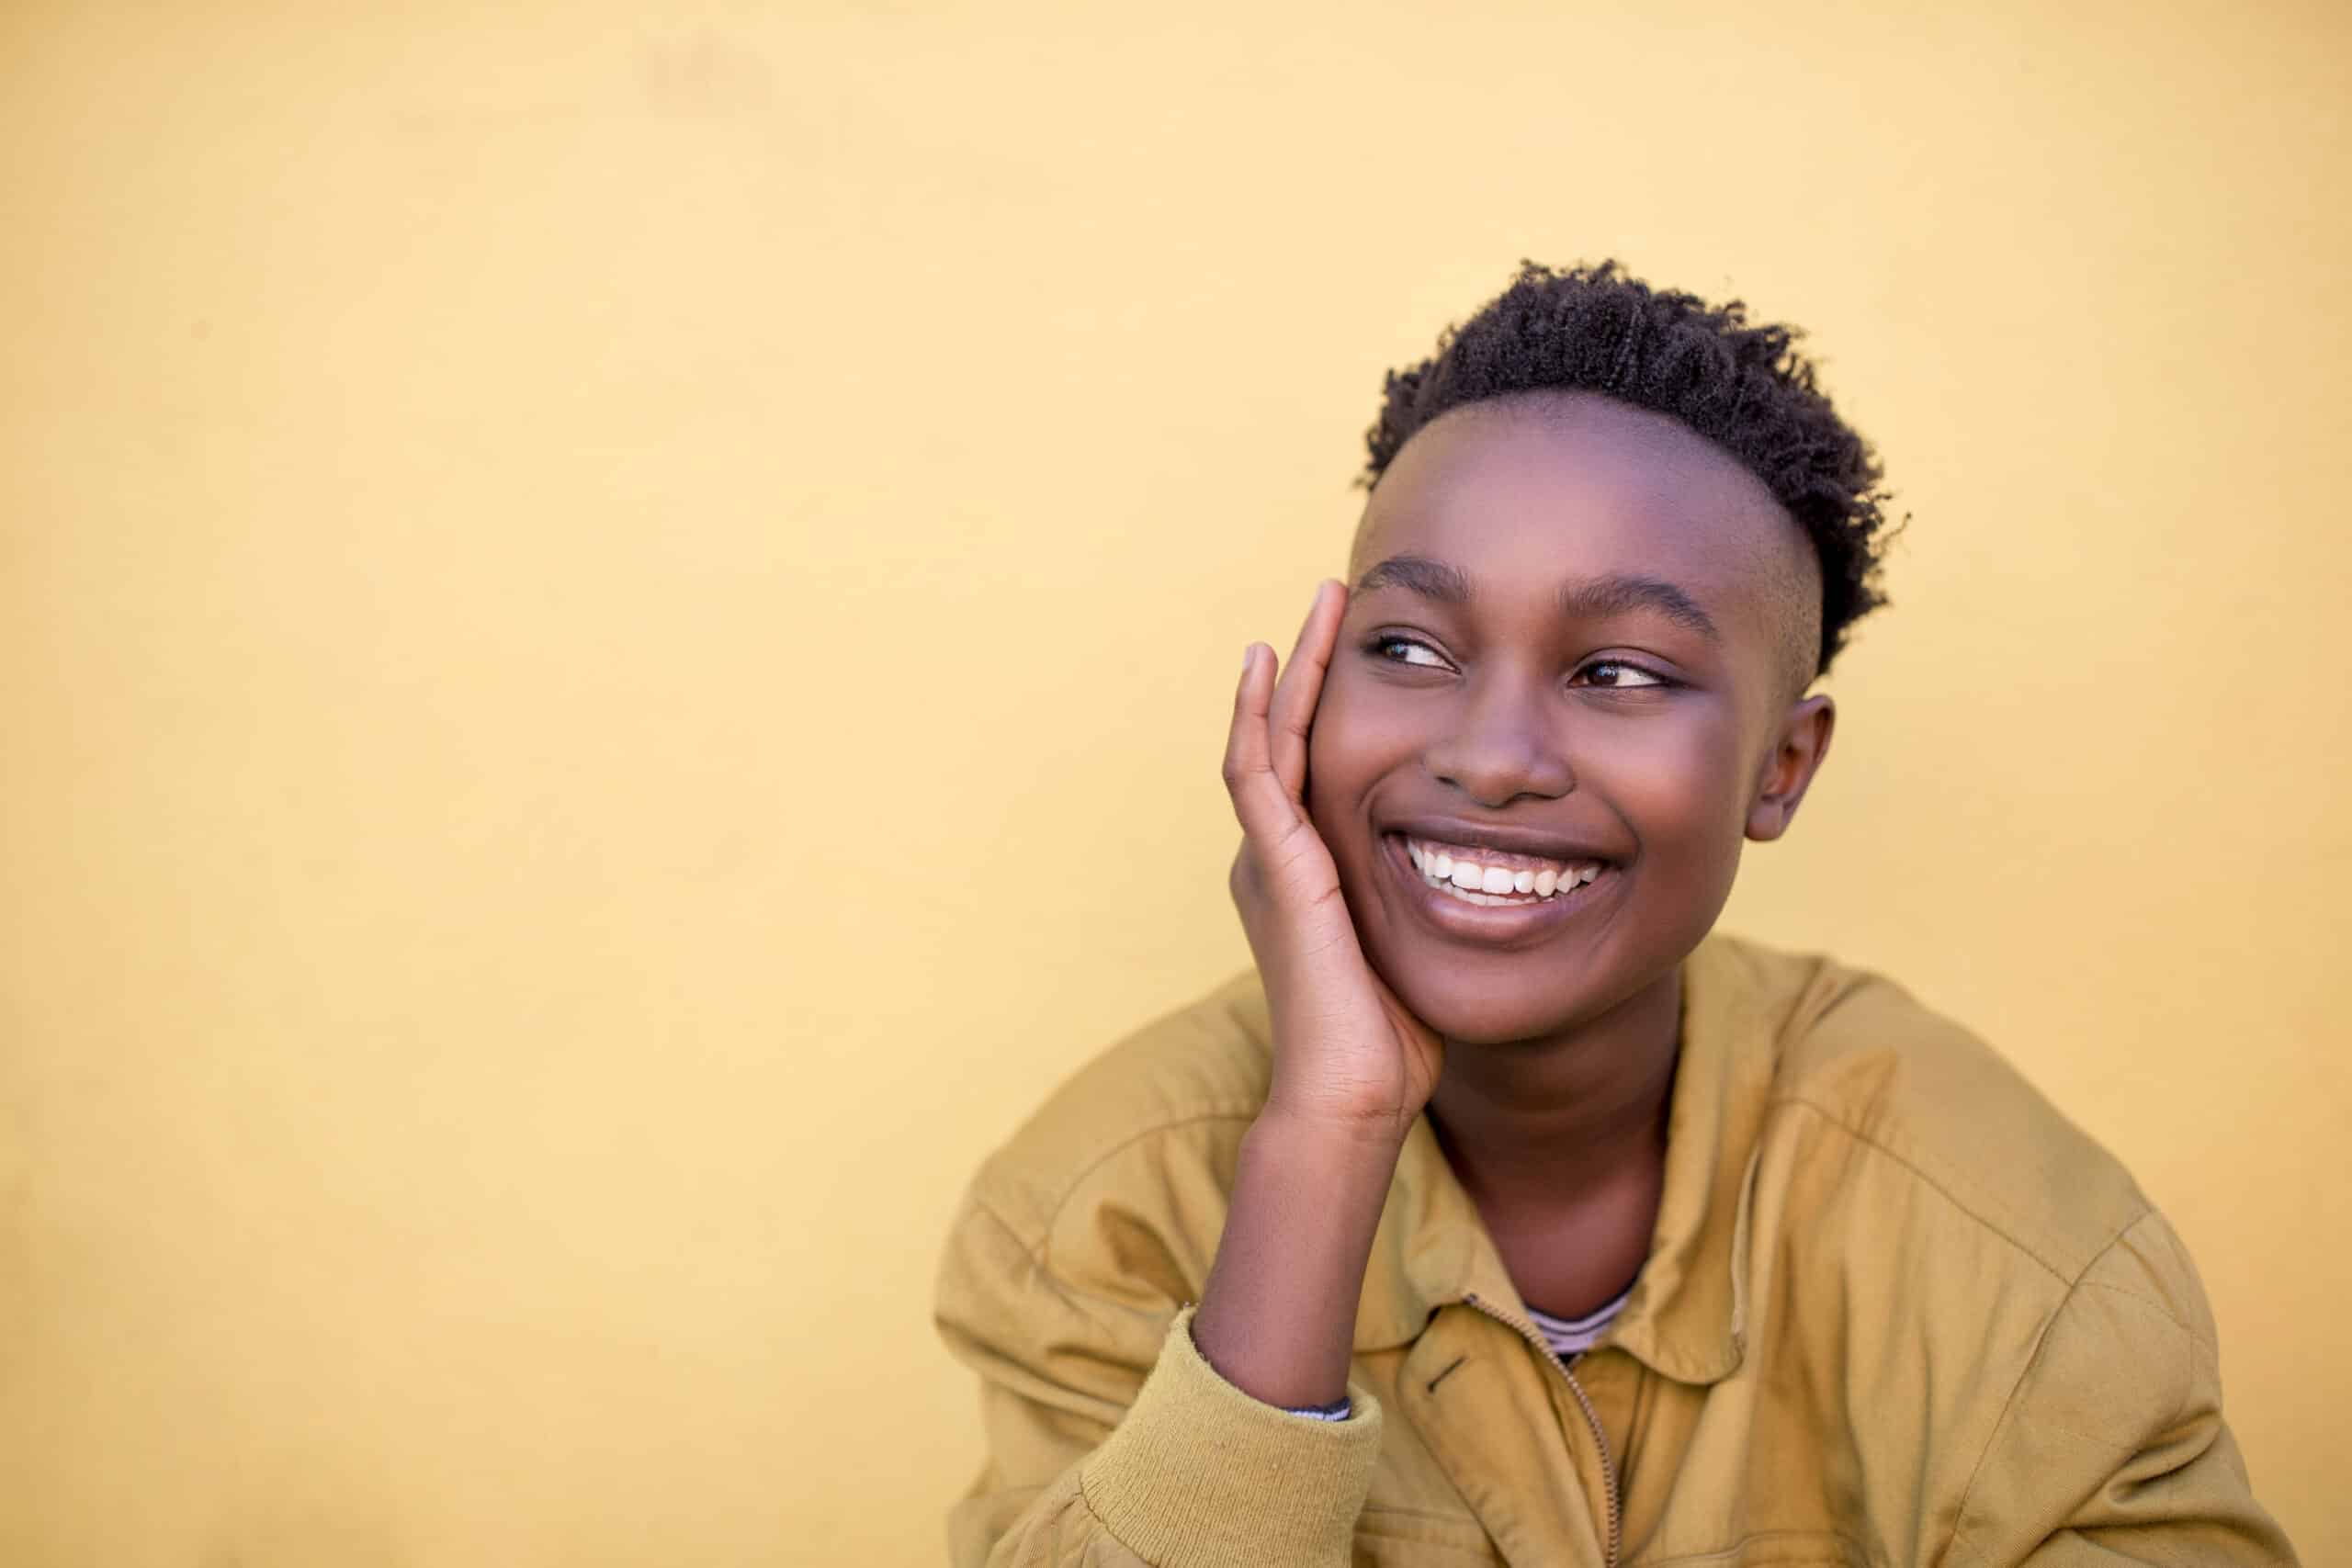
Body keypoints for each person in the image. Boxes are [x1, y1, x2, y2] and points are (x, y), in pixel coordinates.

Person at [933, 261, 2297, 1567]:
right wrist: (1326, 1137)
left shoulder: (2011, 1251)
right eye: (1406, 648)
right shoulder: (1101, 1211)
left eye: (1621, 672)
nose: (1492, 755)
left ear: (1782, 765)